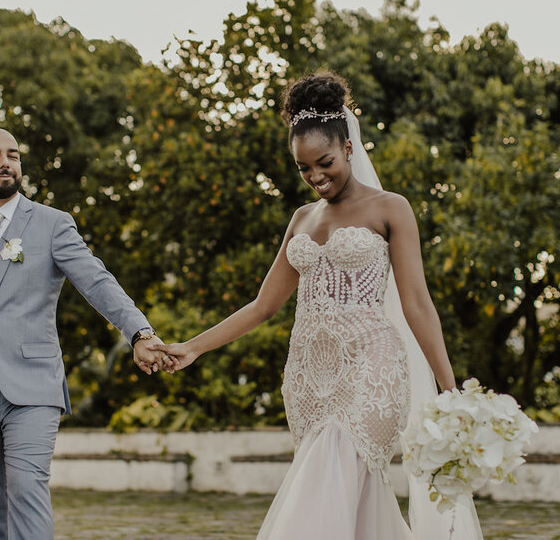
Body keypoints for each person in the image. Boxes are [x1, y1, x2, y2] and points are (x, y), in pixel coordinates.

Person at [150, 73, 483, 539]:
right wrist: (193, 347)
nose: (315, 177)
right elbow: (263, 306)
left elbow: (418, 305)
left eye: (323, 162)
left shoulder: (391, 209)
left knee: (323, 487)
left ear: (349, 147)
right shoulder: (301, 218)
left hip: (373, 371)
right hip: (310, 377)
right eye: (304, 169)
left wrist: (449, 389)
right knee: (352, 501)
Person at [0, 127, 177, 540]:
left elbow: (97, 282)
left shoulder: (52, 224)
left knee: (26, 491)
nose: (6, 162)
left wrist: (140, 332)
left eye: (14, 155)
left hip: (33, 387)